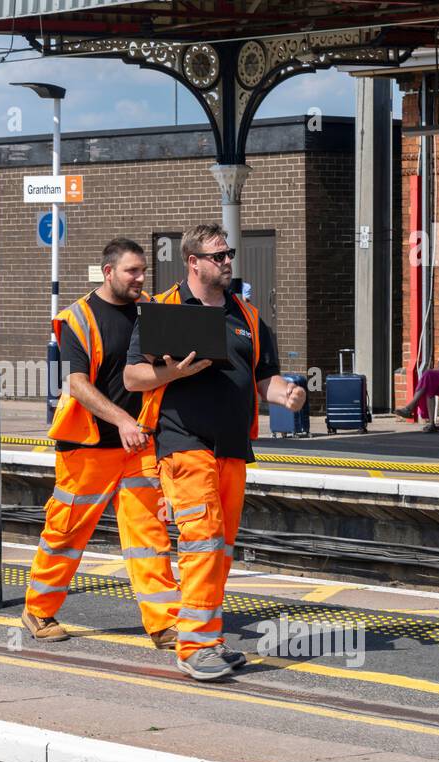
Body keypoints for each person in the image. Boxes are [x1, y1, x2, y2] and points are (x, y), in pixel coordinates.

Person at [123, 224, 305, 681]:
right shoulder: (163, 311)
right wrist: (174, 374)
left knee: (218, 549)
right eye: (218, 255)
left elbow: (266, 379)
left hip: (232, 449)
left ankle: (210, 637)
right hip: (184, 444)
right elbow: (132, 379)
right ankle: (194, 647)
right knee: (201, 541)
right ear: (193, 262)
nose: (227, 262)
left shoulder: (247, 315)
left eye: (229, 254)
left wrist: (288, 395)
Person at [22, 238, 182, 650]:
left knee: (150, 536)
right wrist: (122, 418)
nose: (141, 278)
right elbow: (76, 384)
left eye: (143, 270)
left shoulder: (151, 309)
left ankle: (165, 623)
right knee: (66, 532)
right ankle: (38, 609)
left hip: (138, 445)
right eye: (133, 271)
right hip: (88, 445)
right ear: (108, 272)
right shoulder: (77, 318)